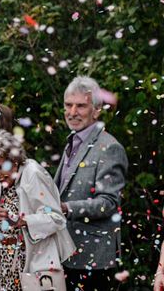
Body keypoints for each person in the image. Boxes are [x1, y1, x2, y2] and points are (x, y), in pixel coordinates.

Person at [54, 75, 128, 291]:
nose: (72, 112)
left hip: (94, 258)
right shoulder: (73, 141)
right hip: (66, 253)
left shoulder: (110, 147)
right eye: (68, 105)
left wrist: (67, 208)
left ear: (96, 110)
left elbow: (109, 202)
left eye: (81, 106)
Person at [0, 129, 75, 291]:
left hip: (35, 266)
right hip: (7, 267)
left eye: (0, 167)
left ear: (13, 160)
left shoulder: (32, 173)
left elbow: (56, 217)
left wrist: (20, 221)